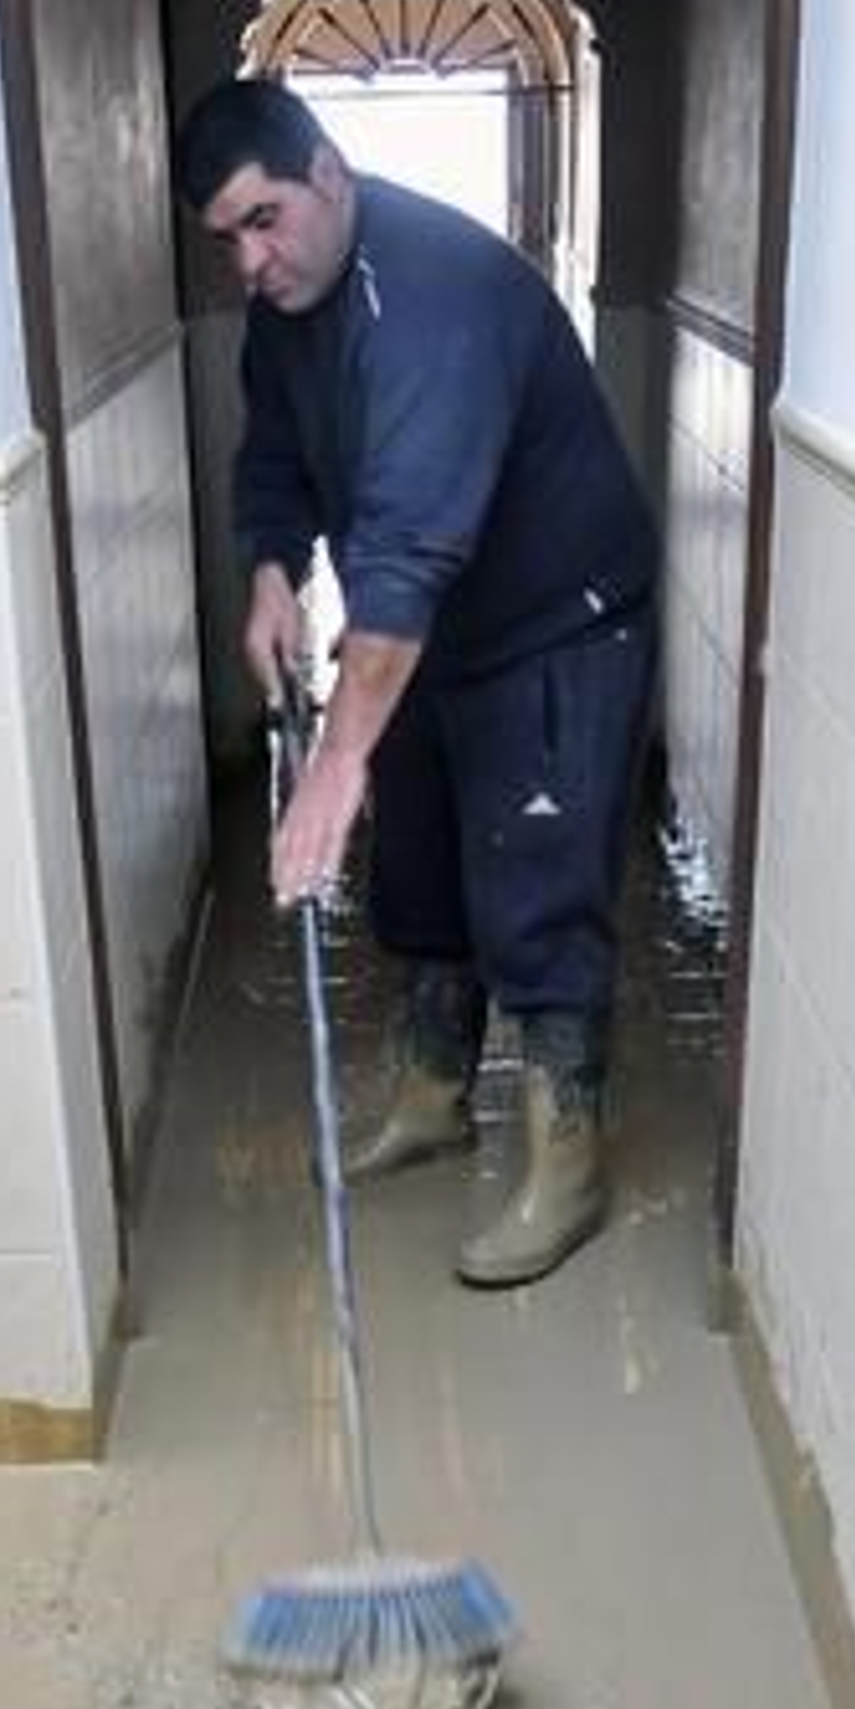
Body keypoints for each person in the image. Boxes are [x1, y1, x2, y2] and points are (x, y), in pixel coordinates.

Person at [177, 77, 659, 1287]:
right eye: (225, 237)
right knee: (424, 866)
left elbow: (406, 549)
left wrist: (333, 765)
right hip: (434, 638)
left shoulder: (432, 298)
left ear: (327, 175)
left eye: (264, 218)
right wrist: (274, 573)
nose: (249, 257)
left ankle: (567, 1162)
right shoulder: (292, 305)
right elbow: (276, 457)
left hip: (557, 626)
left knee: (538, 888)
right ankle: (438, 1095)